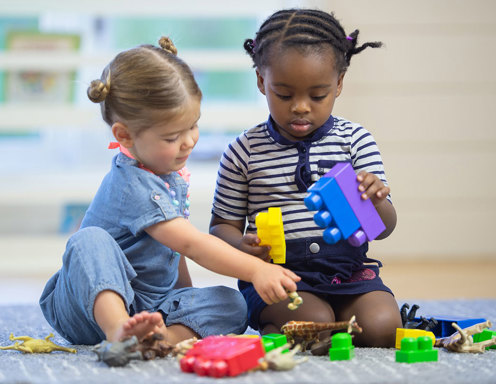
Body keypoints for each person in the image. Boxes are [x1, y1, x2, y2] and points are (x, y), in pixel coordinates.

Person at [39, 36, 300, 346]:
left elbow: (174, 251)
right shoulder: (132, 183)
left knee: (234, 304)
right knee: (88, 240)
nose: (189, 141)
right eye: (173, 136)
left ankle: (160, 339)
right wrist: (256, 269)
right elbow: (192, 244)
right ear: (125, 135)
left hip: (148, 306)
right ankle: (119, 331)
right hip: (86, 307)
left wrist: (184, 300)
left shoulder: (167, 174)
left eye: (194, 125)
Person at [209, 9, 402, 347]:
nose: (300, 107)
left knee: (383, 328)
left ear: (338, 84)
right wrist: (242, 247)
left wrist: (376, 201)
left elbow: (383, 228)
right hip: (278, 276)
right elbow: (221, 227)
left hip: (350, 272)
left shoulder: (355, 140)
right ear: (260, 81)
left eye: (317, 95)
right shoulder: (244, 150)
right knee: (316, 325)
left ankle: (326, 323)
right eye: (284, 94)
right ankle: (282, 324)